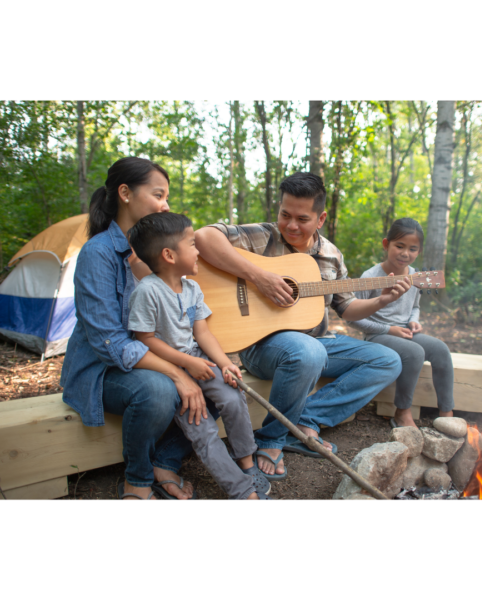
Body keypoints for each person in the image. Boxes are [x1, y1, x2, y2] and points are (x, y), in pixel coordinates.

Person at [194, 172, 408, 481]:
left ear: (320, 219)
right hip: (263, 345)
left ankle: (304, 419)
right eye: (285, 214)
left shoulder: (331, 256)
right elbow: (203, 237)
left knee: (388, 360)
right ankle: (270, 440)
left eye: (302, 219)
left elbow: (346, 308)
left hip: (319, 342)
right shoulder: (261, 236)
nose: (291, 225)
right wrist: (258, 276)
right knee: (307, 352)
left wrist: (382, 301)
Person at [61, 156, 203, 500]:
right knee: (159, 390)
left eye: (166, 197)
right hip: (100, 370)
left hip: (149, 357)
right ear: (125, 193)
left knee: (216, 378)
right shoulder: (98, 253)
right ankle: (137, 482)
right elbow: (110, 344)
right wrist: (177, 373)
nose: (165, 204)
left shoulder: (156, 253)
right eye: (158, 195)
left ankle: (164, 461)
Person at [127, 212, 270, 499]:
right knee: (202, 430)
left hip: (197, 357)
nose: (198, 250)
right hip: (168, 370)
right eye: (192, 244)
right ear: (169, 254)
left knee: (232, 396)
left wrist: (226, 363)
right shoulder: (148, 291)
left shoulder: (192, 288)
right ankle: (242, 491)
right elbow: (145, 339)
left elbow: (202, 333)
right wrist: (187, 363)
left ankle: (246, 462)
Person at [350, 218, 454, 428]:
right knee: (414, 352)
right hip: (377, 334)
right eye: (399, 246)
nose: (405, 253)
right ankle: (402, 412)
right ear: (386, 244)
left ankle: (447, 413)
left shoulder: (415, 275)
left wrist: (414, 322)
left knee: (441, 349)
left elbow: (414, 306)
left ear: (419, 251)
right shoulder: (370, 277)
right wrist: (390, 329)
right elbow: (354, 318)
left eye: (413, 249)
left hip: (405, 332)